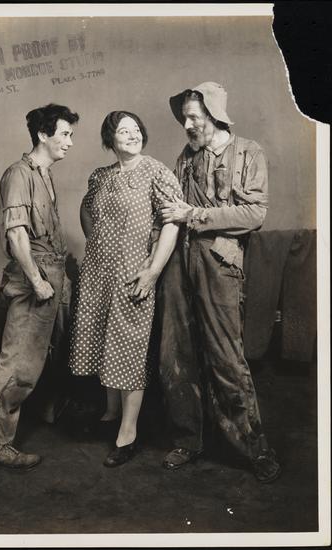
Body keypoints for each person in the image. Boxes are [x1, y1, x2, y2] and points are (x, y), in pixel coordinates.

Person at [157, 82, 281, 483]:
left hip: (220, 262)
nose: (187, 125)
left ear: (215, 115)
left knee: (226, 356)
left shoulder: (248, 152)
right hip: (179, 263)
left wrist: (193, 215)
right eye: (185, 118)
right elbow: (170, 210)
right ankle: (188, 440)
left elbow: (255, 213)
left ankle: (253, 447)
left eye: (194, 117)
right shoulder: (185, 157)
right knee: (177, 351)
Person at [69, 111, 182, 467]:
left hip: (134, 274)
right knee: (105, 339)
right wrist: (98, 244)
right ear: (110, 139)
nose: (133, 135)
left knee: (127, 347)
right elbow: (87, 210)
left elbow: (172, 224)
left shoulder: (156, 172)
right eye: (123, 130)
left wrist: (152, 271)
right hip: (98, 274)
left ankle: (128, 432)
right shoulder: (100, 176)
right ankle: (110, 413)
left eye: (136, 129)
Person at [0, 103, 79, 469]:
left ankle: (42, 412)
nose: (70, 142)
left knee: (38, 359)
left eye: (71, 135)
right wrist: (37, 282)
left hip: (52, 274)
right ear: (43, 135)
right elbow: (17, 235)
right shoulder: (18, 175)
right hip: (35, 280)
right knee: (17, 363)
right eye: (64, 134)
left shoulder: (44, 174)